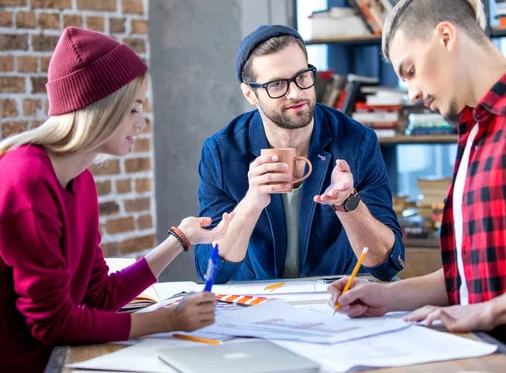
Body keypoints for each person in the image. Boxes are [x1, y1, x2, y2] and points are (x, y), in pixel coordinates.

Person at [329, 0, 506, 372]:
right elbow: (472, 273)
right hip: (491, 357)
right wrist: (387, 296)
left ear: (445, 36)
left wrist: (484, 313)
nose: (413, 92)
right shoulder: (475, 131)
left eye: (410, 70)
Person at [0, 27, 232, 373]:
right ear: (100, 108)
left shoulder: (81, 181)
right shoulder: (27, 179)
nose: (141, 122)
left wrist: (181, 239)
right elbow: (52, 323)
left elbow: (98, 297)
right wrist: (170, 320)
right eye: (133, 108)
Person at [194, 25, 405, 283]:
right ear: (250, 94)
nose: (296, 93)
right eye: (277, 84)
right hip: (257, 304)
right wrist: (251, 204)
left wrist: (349, 203)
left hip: (337, 297)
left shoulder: (356, 141)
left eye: (302, 77)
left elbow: (388, 265)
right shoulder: (221, 152)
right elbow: (210, 272)